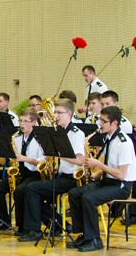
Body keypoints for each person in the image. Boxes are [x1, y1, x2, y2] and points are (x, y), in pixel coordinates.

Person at [66, 106, 136, 252]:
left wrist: (98, 165)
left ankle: (95, 240)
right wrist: (98, 173)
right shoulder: (109, 138)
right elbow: (110, 164)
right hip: (108, 181)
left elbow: (121, 174)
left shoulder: (123, 142)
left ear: (114, 123)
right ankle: (84, 234)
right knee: (75, 193)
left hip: (121, 186)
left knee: (89, 198)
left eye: (104, 121)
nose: (100, 124)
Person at [17, 99, 85, 242]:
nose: (56, 116)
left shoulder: (76, 133)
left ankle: (35, 230)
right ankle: (58, 225)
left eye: (59, 113)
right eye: (55, 112)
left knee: (32, 189)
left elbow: (80, 161)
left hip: (73, 179)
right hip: (61, 175)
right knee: (31, 192)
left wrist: (59, 154)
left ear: (69, 114)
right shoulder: (58, 132)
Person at [0, 108, 45, 232]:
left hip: (34, 174)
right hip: (19, 173)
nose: (22, 124)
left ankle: (23, 226)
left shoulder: (40, 139)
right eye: (20, 121)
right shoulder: (16, 138)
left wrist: (25, 159)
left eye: (26, 121)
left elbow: (42, 163)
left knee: (20, 191)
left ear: (34, 122)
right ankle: (2, 221)